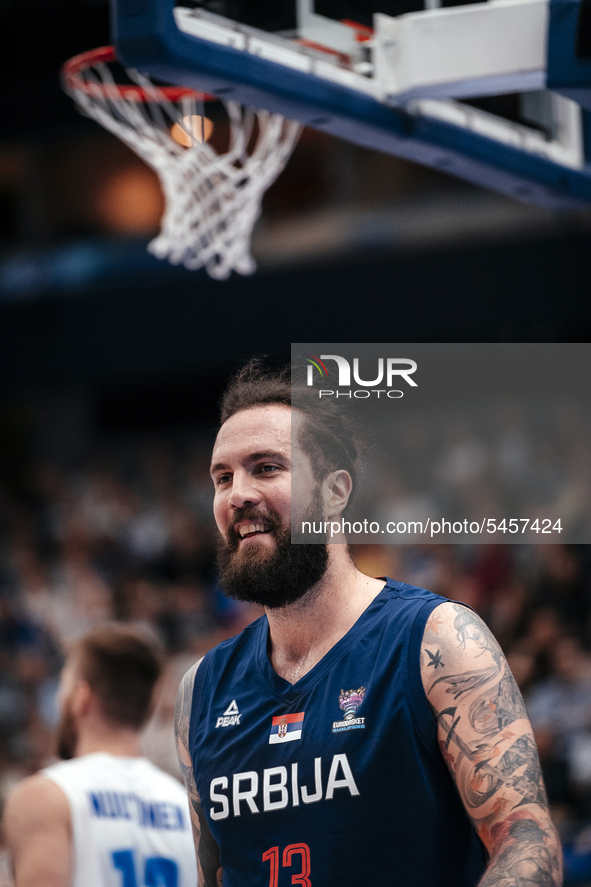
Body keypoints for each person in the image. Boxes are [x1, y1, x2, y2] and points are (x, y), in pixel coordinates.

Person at [174, 358, 563, 887]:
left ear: (336, 493)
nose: (236, 493)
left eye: (265, 468)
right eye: (222, 477)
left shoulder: (437, 638)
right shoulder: (201, 691)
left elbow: (526, 841)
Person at [4, 624, 198, 887]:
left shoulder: (47, 797)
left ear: (80, 698)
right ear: (148, 708)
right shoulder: (188, 810)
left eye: (63, 686)